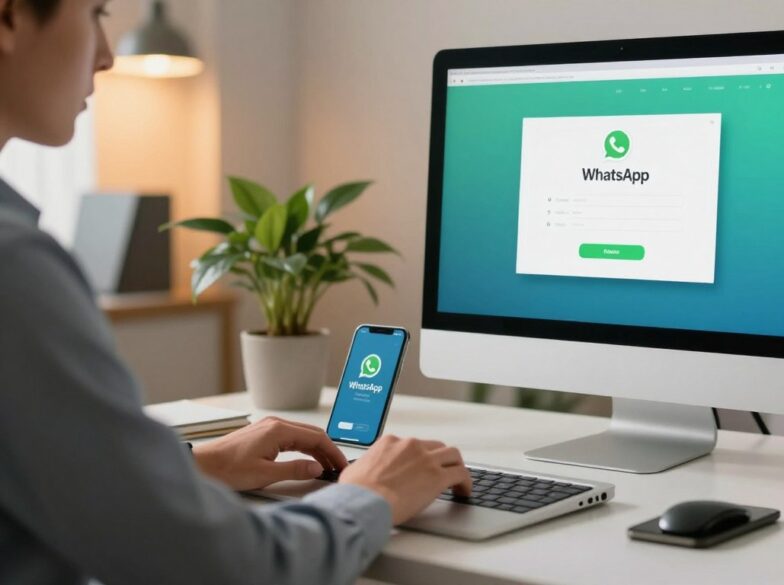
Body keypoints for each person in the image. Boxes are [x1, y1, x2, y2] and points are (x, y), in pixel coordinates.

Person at [0, 1, 472, 583]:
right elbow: (227, 567)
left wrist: (192, 469)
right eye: (94, 13)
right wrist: (372, 496)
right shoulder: (14, 267)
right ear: (9, 16)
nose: (104, 55)